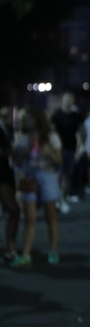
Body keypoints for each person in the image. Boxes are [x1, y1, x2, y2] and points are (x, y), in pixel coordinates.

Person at [10, 108, 63, 267]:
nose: (26, 121)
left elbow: (59, 161)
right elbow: (16, 161)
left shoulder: (51, 137)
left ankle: (53, 251)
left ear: (37, 120)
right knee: (29, 217)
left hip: (47, 175)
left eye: (29, 119)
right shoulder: (25, 138)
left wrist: (49, 152)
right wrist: (24, 150)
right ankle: (26, 254)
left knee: (51, 215)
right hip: (30, 176)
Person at [51, 92, 84, 211]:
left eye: (71, 100)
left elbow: (80, 132)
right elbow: (52, 131)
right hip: (58, 149)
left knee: (67, 176)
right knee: (58, 175)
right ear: (62, 101)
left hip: (71, 148)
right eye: (67, 99)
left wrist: (80, 147)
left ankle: (63, 199)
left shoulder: (76, 115)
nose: (69, 102)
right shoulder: (57, 114)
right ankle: (56, 200)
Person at [0, 111, 20, 263]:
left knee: (13, 210)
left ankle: (10, 246)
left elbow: (9, 148)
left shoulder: (3, 127)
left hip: (4, 173)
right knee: (13, 209)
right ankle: (8, 248)